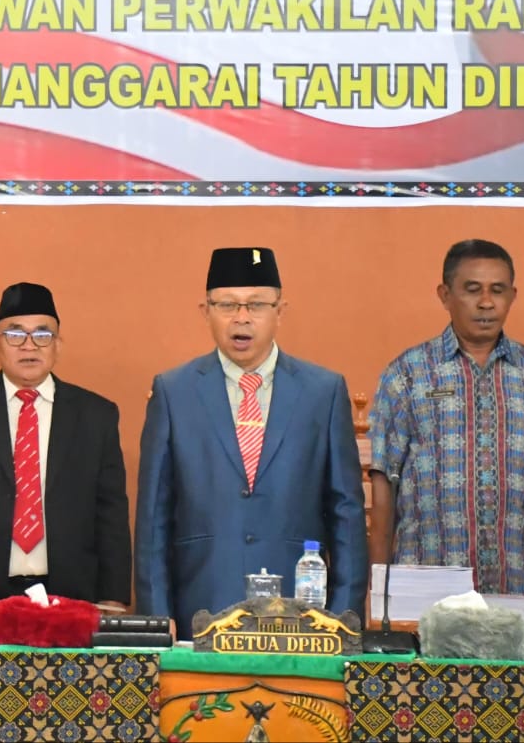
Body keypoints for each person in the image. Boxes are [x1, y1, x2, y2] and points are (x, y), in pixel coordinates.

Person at [136, 247, 366, 637]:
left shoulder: (322, 391)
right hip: (202, 605)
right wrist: (156, 619)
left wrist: (344, 617)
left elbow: (346, 513)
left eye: (256, 305)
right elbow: (153, 519)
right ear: (205, 311)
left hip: (303, 616)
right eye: (227, 305)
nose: (241, 318)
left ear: (280, 311)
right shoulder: (174, 391)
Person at [367, 239, 524, 597]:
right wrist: (377, 592)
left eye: (497, 290)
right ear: (445, 295)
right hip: (425, 587)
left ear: (512, 296)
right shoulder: (407, 375)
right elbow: (383, 490)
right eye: (472, 290)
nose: (486, 303)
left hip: (523, 585)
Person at [0, 282, 131, 606]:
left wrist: (114, 597)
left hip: (70, 595)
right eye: (15, 334)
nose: (29, 346)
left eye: (42, 334)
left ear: (58, 345)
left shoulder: (96, 416)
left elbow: (111, 513)